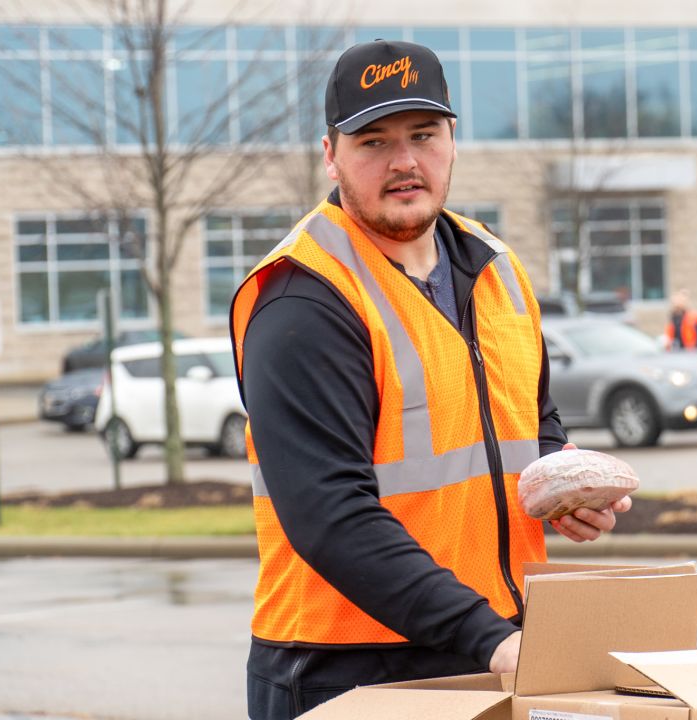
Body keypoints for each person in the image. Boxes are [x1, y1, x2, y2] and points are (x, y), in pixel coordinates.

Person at [228, 40, 632, 719]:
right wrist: (491, 639)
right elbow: (331, 516)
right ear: (331, 154)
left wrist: (564, 485)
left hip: (491, 644)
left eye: (423, 135)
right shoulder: (305, 299)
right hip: (348, 667)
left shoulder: (495, 265)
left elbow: (530, 421)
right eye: (373, 142)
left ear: (451, 140)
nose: (405, 161)